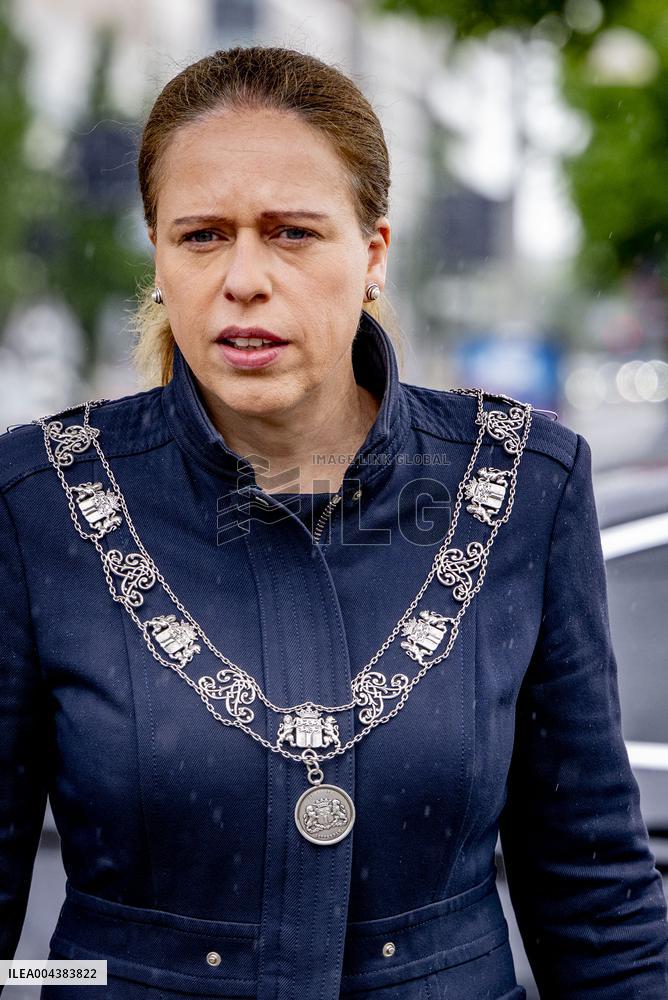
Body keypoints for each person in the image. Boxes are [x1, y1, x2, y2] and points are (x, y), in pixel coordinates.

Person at [0, 44, 667, 1000]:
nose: (243, 277)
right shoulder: (36, 502)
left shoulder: (523, 483)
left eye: (292, 233)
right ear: (158, 254)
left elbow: (596, 903)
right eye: (201, 235)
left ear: (373, 254)